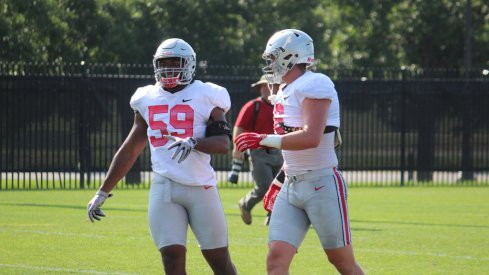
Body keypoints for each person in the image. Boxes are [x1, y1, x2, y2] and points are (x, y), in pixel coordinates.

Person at [86, 38, 237, 275]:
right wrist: (102, 191)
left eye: (175, 62)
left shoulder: (207, 94)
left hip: (201, 188)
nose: (168, 69)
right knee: (171, 256)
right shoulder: (146, 97)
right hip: (164, 186)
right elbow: (131, 148)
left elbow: (223, 143)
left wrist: (194, 142)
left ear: (189, 64)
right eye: (163, 63)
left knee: (218, 260)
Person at [234, 29, 364, 275]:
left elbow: (310, 137)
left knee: (342, 262)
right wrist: (279, 180)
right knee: (276, 260)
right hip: (291, 185)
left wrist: (263, 139)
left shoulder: (315, 83)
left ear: (290, 56)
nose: (270, 64)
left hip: (321, 184)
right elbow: (292, 147)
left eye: (273, 57)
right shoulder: (283, 90)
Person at [228, 75, 283, 225]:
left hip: (279, 150)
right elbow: (239, 128)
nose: (267, 89)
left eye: (271, 86)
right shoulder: (253, 106)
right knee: (265, 186)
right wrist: (237, 149)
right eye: (264, 86)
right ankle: (246, 203)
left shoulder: (281, 105)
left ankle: (272, 217)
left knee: (280, 187)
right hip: (257, 152)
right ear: (260, 89)